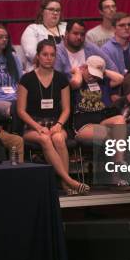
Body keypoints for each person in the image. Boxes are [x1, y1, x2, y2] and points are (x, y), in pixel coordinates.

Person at [17, 40, 89, 195]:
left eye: (52, 55)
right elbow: (21, 111)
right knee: (44, 139)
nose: (48, 58)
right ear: (38, 56)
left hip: (56, 123)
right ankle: (69, 181)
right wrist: (38, 127)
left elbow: (66, 109)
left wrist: (58, 124)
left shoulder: (61, 78)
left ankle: (64, 182)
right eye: (45, 54)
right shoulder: (26, 79)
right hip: (33, 126)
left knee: (58, 138)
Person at [68, 56, 130, 190]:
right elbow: (75, 82)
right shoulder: (77, 81)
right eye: (90, 73)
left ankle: (118, 164)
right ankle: (116, 176)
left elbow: (120, 78)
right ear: (84, 67)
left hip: (101, 120)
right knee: (111, 135)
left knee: (120, 120)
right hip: (82, 125)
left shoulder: (102, 81)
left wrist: (102, 71)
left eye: (96, 75)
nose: (93, 77)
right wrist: (79, 71)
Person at [20, 0, 67, 67]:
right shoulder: (32, 29)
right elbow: (34, 57)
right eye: (51, 9)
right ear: (42, 12)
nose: (55, 13)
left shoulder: (66, 27)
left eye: (58, 10)